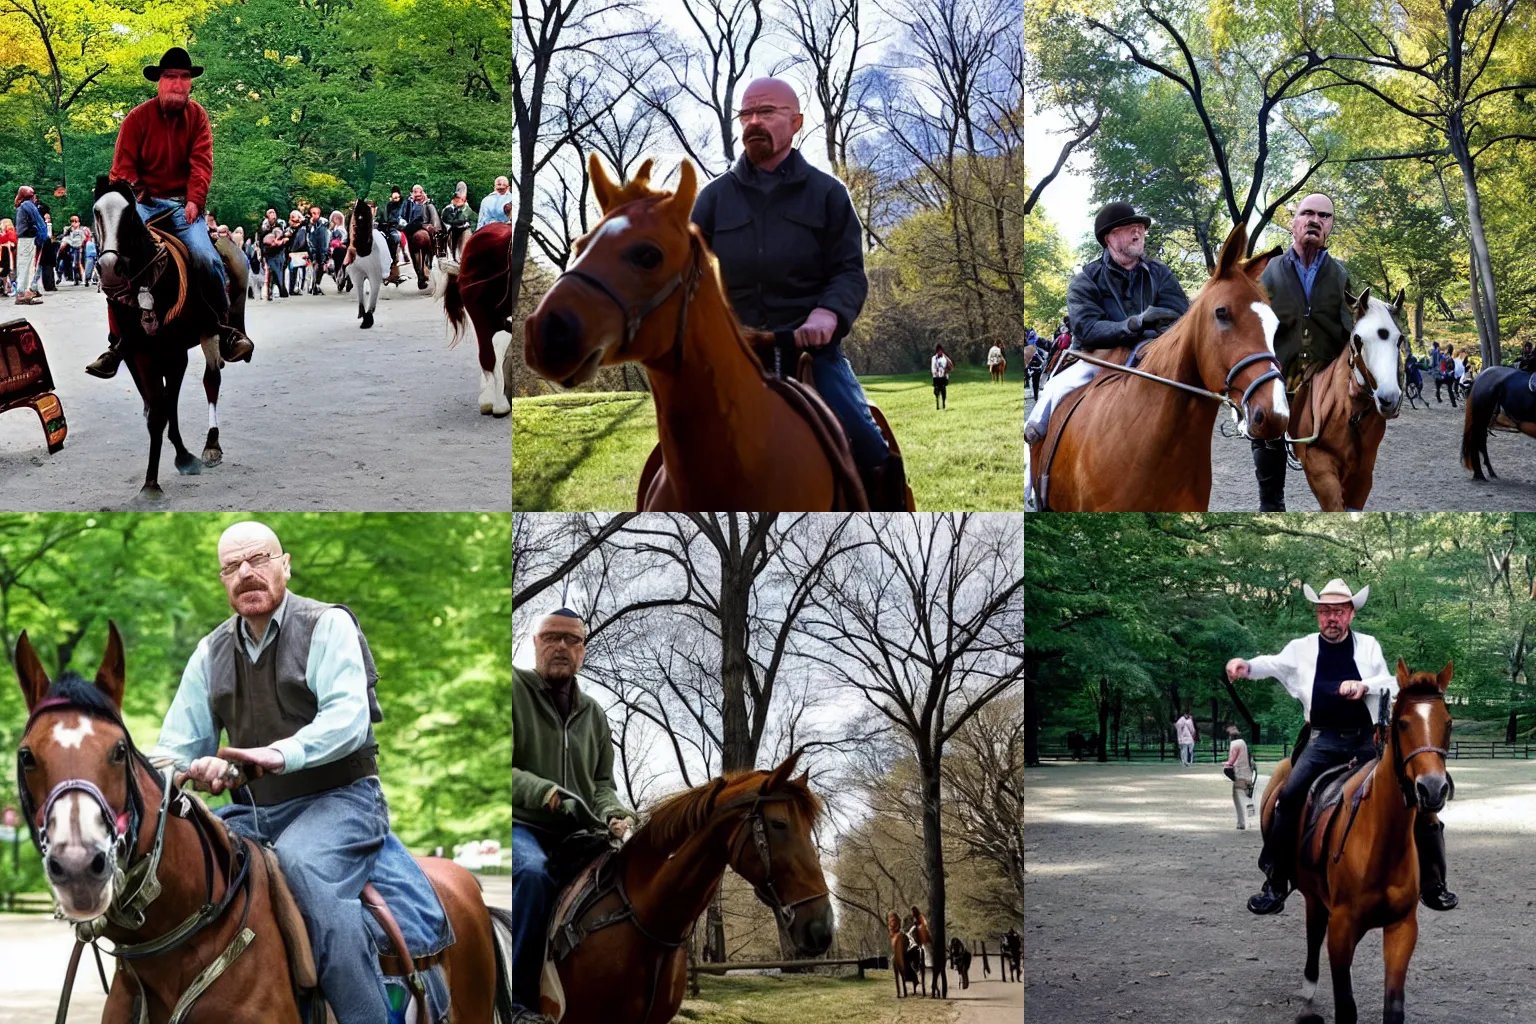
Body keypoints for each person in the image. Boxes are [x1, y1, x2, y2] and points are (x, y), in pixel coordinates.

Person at [149, 522, 431, 1023]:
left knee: (304, 869)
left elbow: (348, 720)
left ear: (286, 564)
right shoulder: (208, 653)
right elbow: (171, 752)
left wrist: (277, 755)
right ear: (222, 580)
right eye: (232, 566)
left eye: (258, 559)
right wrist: (194, 767)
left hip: (343, 800)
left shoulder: (327, 625)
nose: (246, 573)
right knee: (181, 868)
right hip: (253, 810)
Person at [691, 76, 903, 504]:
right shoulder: (712, 199)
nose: (753, 122)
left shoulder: (828, 195)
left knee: (867, 442)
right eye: (746, 114)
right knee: (677, 447)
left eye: (766, 112)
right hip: (731, 356)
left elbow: (849, 272)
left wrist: (829, 314)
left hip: (811, 354)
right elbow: (688, 278)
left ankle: (890, 511)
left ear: (797, 122)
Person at [1227, 577, 1457, 915]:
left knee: (1419, 800)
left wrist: (1362, 685)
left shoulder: (1368, 646)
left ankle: (1433, 884)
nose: (1329, 618)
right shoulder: (1302, 647)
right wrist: (1246, 667)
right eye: (1323, 612)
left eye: (1337, 611)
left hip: (1367, 742)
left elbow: (1391, 683)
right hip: (1322, 741)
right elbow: (1272, 663)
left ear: (1350, 614)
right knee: (1288, 800)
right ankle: (1276, 881)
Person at [88, 47, 253, 379]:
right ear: (159, 82)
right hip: (143, 204)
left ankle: (225, 329)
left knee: (206, 258)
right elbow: (121, 169)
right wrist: (140, 191)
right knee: (117, 262)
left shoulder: (198, 118)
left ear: (190, 83)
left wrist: (195, 200)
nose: (177, 83)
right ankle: (116, 344)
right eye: (170, 77)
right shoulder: (137, 118)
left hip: (182, 205)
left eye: (184, 77)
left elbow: (202, 164)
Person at [511, 608, 634, 1024]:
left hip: (579, 833)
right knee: (530, 874)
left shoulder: (595, 714)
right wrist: (544, 791)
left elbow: (601, 785)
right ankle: (519, 1003)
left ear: (583, 651)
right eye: (551, 637)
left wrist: (615, 816)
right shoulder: (511, 688)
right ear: (535, 644)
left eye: (571, 640)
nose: (560, 646)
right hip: (521, 825)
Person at [1024, 201, 1189, 445]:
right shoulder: (1086, 279)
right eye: (1130, 227)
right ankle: (1032, 471)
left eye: (1141, 228)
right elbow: (1088, 329)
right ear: (1109, 238)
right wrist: (1135, 323)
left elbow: (1181, 315)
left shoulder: (1160, 273)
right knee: (1053, 391)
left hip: (1152, 355)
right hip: (1095, 358)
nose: (1138, 233)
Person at [1253, 194, 1353, 510]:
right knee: (1264, 422)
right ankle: (1272, 503)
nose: (1315, 220)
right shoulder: (1266, 272)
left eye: (1324, 216)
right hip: (1279, 374)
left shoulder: (1341, 275)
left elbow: (1353, 332)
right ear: (1293, 223)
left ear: (1331, 226)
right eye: (1307, 213)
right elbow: (1251, 328)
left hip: (1324, 381)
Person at [1222, 724, 1256, 829]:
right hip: (1248, 774)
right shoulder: (1243, 742)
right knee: (1248, 797)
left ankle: (1241, 823)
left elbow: (1231, 761)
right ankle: (1251, 819)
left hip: (1239, 774)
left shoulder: (1234, 744)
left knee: (1237, 797)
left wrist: (1225, 764)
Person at [14, 186, 44, 305]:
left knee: (27, 265)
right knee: (26, 265)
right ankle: (22, 293)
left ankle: (25, 292)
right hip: (27, 239)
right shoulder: (27, 205)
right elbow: (38, 220)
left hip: (26, 239)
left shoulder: (23, 205)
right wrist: (43, 234)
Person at [262, 214, 291, 300]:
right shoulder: (264, 230)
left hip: (277, 254)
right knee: (274, 273)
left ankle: (280, 291)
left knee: (277, 273)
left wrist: (281, 242)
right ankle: (277, 291)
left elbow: (284, 239)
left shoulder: (278, 227)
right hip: (270, 255)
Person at [441, 182, 472, 260]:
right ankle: (452, 256)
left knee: (467, 235)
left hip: (464, 229)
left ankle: (464, 256)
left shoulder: (467, 208)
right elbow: (446, 220)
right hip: (452, 229)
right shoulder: (448, 208)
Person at [383, 187, 405, 283]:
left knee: (395, 237)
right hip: (389, 227)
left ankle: (396, 258)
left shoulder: (404, 205)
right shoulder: (388, 205)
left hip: (399, 227)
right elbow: (385, 217)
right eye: (393, 195)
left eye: (397, 195)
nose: (395, 197)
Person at [306, 205, 328, 294]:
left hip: (320, 250)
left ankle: (316, 284)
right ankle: (311, 285)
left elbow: (324, 239)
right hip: (309, 250)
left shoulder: (322, 224)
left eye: (318, 213)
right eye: (314, 213)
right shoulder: (307, 224)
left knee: (320, 267)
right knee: (311, 268)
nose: (316, 215)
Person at [932, 344, 954, 409]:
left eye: (941, 350)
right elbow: (933, 367)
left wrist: (946, 370)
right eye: (939, 351)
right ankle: (937, 403)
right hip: (936, 377)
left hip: (943, 376)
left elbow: (950, 366)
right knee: (936, 390)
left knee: (943, 390)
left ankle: (943, 403)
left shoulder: (945, 358)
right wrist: (935, 372)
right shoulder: (934, 358)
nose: (940, 352)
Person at [0, 217, 16, 297]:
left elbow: (12, 243)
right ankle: (6, 288)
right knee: (4, 273)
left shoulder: (10, 232)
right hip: (4, 254)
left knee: (7, 272)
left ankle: (9, 288)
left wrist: (4, 244)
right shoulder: (5, 232)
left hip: (7, 254)